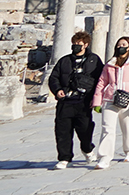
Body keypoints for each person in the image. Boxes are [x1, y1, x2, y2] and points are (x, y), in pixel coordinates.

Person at [48, 30, 103, 169]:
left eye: (79, 43)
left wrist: (96, 99)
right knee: (62, 131)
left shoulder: (94, 60)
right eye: (74, 43)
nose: (76, 46)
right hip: (65, 102)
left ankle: (87, 149)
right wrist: (57, 90)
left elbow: (100, 80)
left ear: (86, 44)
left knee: (85, 130)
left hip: (84, 102)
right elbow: (54, 77)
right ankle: (64, 158)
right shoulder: (64, 61)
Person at [91, 36, 129, 169]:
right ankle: (104, 157)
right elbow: (101, 82)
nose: (121, 46)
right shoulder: (109, 64)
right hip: (110, 98)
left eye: (124, 44)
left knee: (127, 126)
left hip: (128, 99)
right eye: (119, 44)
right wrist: (97, 102)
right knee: (107, 128)